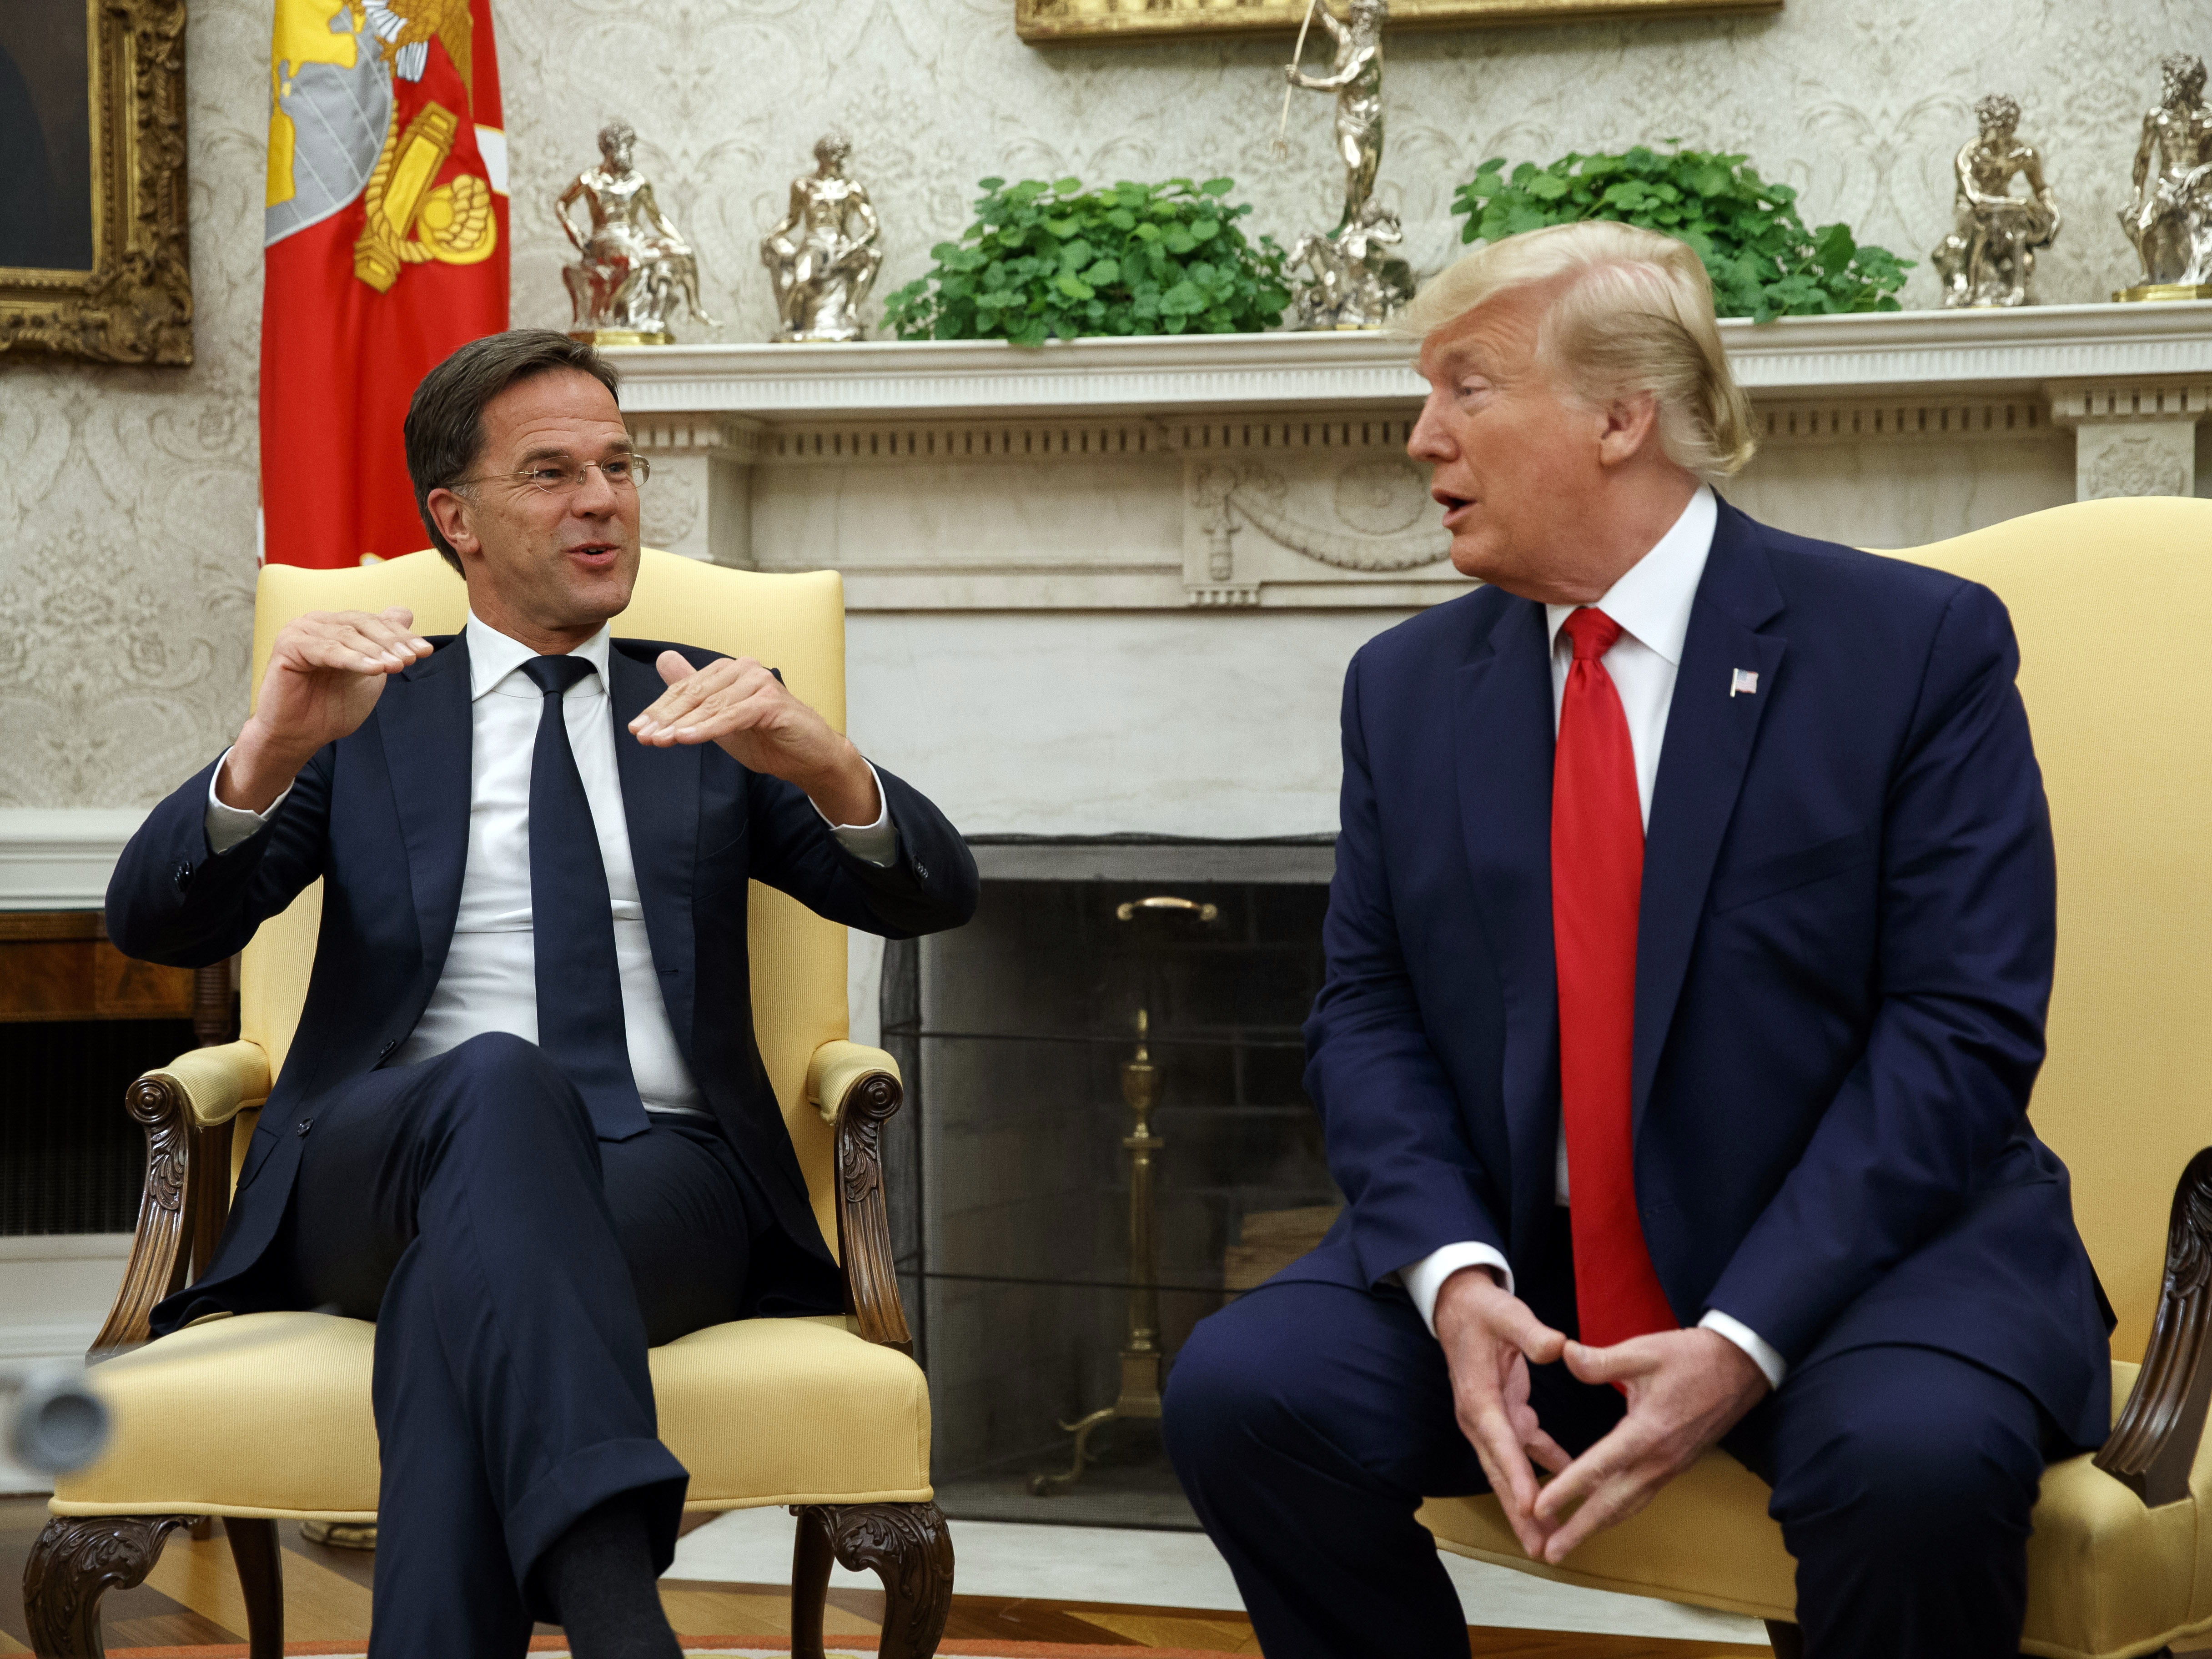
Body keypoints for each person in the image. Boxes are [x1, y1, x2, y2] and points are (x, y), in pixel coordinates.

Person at [1161, 221, 2111, 1659]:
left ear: (1622, 417)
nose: (1421, 440)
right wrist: (1455, 1277)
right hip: (1534, 1275)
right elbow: (1366, 1012)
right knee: (1248, 1392)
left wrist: (1743, 1339)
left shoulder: (1911, 649)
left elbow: (1959, 1031)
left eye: (1466, 390)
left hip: (1863, 1269)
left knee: (1912, 1467)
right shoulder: (1407, 689)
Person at [105, 329, 977, 1658]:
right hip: (375, 1166)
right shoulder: (365, 711)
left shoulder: (709, 708)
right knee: (500, 1080)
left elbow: (930, 894)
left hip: (664, 1175)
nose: (604, 500)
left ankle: (600, 1608)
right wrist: (269, 745)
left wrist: (826, 762)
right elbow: (160, 923)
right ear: (456, 519)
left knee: (456, 1308)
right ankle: (621, 1612)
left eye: (620, 467)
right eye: (554, 472)